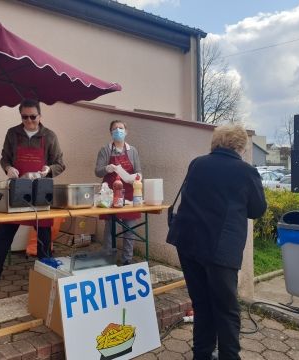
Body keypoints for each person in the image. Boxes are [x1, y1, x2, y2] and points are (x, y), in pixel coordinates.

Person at [166, 124, 267, 360]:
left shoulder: (197, 163)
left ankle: (202, 354)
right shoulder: (246, 172)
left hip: (188, 243)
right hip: (220, 250)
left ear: (216, 142)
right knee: (227, 309)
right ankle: (229, 356)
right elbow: (257, 210)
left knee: (201, 303)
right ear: (240, 146)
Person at [0, 98, 65, 284]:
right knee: (3, 232)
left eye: (33, 117)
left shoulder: (49, 136)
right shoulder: (13, 134)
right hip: (17, 190)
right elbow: (4, 158)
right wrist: (8, 168)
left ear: (40, 115)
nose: (29, 121)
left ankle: (46, 274)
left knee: (43, 236)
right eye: (25, 117)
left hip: (41, 192)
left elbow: (60, 164)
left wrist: (48, 170)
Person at [95, 120, 142, 265]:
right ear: (111, 132)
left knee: (130, 228)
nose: (118, 131)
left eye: (121, 128)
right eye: (115, 129)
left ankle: (127, 259)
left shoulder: (132, 150)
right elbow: (97, 171)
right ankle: (107, 259)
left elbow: (139, 170)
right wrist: (107, 168)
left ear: (126, 131)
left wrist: (136, 177)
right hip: (110, 194)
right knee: (110, 228)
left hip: (129, 194)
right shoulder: (105, 150)